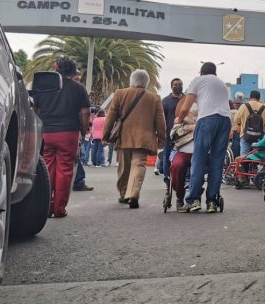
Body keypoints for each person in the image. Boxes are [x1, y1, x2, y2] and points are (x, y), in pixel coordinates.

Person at [32, 57, 91, 218]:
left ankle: (46, 207)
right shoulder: (78, 88)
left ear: (55, 69)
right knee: (65, 170)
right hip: (68, 133)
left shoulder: (44, 86)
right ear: (73, 71)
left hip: (46, 131)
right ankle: (59, 208)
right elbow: (86, 112)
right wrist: (83, 131)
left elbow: (35, 109)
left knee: (47, 168)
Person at [103, 70, 166, 209]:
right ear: (146, 82)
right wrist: (162, 138)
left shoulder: (120, 93)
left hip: (124, 136)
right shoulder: (154, 98)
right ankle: (133, 194)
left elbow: (111, 116)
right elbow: (160, 120)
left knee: (124, 166)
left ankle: (124, 193)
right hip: (144, 138)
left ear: (131, 80)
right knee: (138, 164)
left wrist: (105, 135)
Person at [175, 62, 232, 213]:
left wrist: (179, 120)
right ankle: (212, 201)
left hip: (207, 120)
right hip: (225, 121)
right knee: (217, 161)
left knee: (198, 160)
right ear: (215, 72)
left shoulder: (198, 80)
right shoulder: (222, 84)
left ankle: (193, 200)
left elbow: (185, 107)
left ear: (201, 72)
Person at [231, 90, 265, 188]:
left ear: (250, 97)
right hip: (260, 139)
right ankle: (259, 176)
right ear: (259, 98)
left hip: (245, 137)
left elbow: (236, 120)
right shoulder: (264, 108)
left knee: (244, 157)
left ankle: (243, 179)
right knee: (258, 158)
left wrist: (241, 125)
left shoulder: (244, 106)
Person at [169, 105, 197, 211]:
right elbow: (173, 135)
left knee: (199, 167)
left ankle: (196, 197)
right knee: (177, 166)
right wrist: (190, 127)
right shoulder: (179, 121)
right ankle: (179, 196)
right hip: (182, 151)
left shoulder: (204, 120)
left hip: (199, 153)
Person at [159, 78, 184, 176]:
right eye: (176, 85)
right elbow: (162, 118)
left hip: (184, 134)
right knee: (167, 156)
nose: (178, 86)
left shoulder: (186, 99)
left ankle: (182, 178)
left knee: (183, 157)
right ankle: (167, 177)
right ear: (171, 86)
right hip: (169, 134)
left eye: (180, 84)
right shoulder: (165, 101)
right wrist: (162, 133)